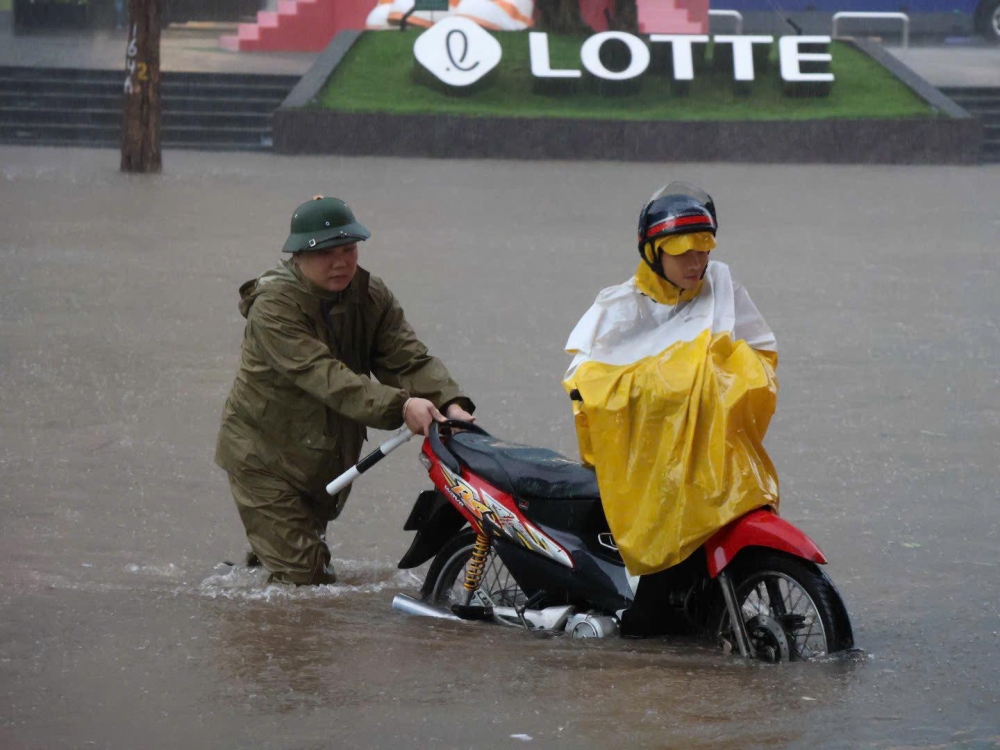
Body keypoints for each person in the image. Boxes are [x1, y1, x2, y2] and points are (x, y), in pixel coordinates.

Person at [215, 196, 475, 585]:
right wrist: (402, 408)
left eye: (349, 249)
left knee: (295, 566)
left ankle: (257, 602)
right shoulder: (273, 308)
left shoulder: (370, 296)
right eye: (326, 253)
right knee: (306, 576)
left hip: (321, 457)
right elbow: (327, 377)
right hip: (264, 458)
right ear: (298, 256)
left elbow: (407, 360)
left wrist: (450, 404)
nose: (341, 262)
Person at [562, 182, 778, 577]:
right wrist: (660, 383)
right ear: (654, 252)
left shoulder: (721, 288)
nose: (697, 263)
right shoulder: (619, 308)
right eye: (684, 254)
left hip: (710, 457)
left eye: (704, 251)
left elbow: (761, 354)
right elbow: (584, 387)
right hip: (647, 463)